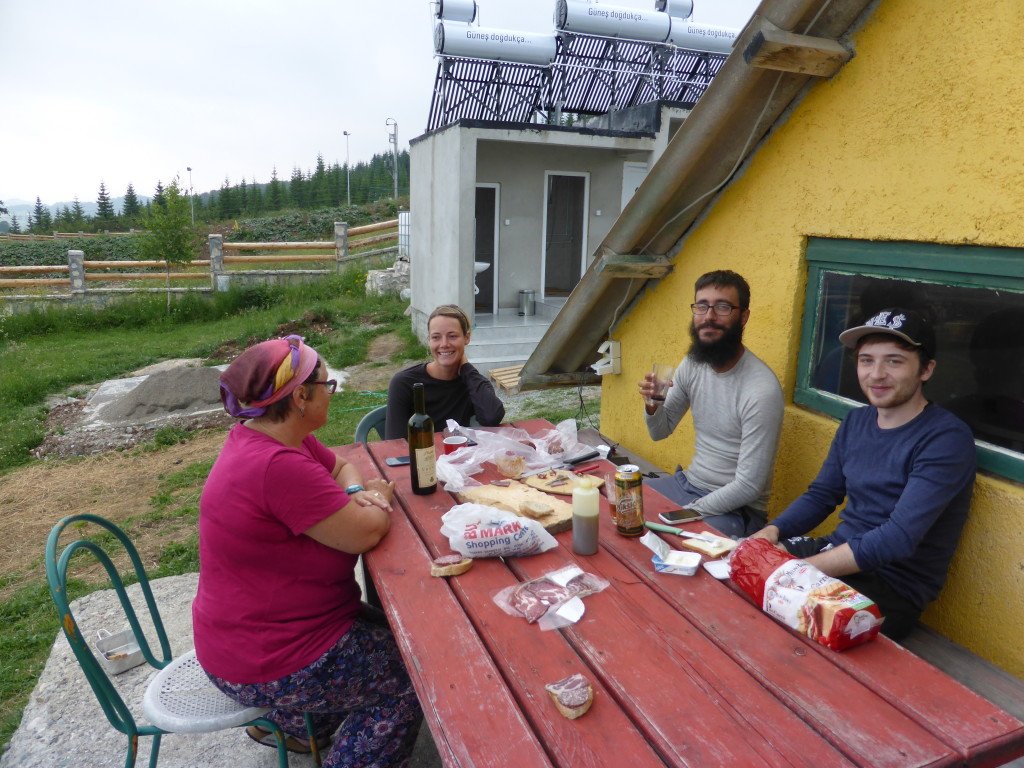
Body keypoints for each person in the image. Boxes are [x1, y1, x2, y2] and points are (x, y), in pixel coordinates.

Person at [193, 334, 422, 766]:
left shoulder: (274, 438)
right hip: (269, 654)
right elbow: (367, 532)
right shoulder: (276, 466)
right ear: (300, 396)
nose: (331, 393)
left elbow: (342, 465)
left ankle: (298, 726)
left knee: (399, 635)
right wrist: (376, 500)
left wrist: (356, 491)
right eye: (327, 385)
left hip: (263, 632)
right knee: (413, 675)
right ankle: (320, 735)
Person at [751, 308, 976, 640]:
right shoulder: (856, 422)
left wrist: (798, 571)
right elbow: (822, 495)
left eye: (894, 361)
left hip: (891, 588)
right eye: (867, 360)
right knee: (739, 574)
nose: (877, 374)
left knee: (775, 626)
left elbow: (897, 539)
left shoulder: (945, 439)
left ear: (926, 369)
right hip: (836, 555)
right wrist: (770, 534)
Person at [640, 270, 784, 537]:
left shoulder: (761, 389)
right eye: (702, 306)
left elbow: (748, 486)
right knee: (624, 507)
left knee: (683, 544)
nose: (709, 317)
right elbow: (659, 431)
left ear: (744, 317)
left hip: (736, 509)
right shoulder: (693, 364)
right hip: (688, 486)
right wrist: (652, 404)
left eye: (722, 307)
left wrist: (687, 513)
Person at [385, 304, 505, 439]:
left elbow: (491, 417)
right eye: (436, 337)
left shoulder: (472, 381)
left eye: (452, 336)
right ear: (429, 340)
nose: (444, 344)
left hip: (458, 457)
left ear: (467, 338)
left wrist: (466, 368)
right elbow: (393, 443)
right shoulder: (404, 383)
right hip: (420, 458)